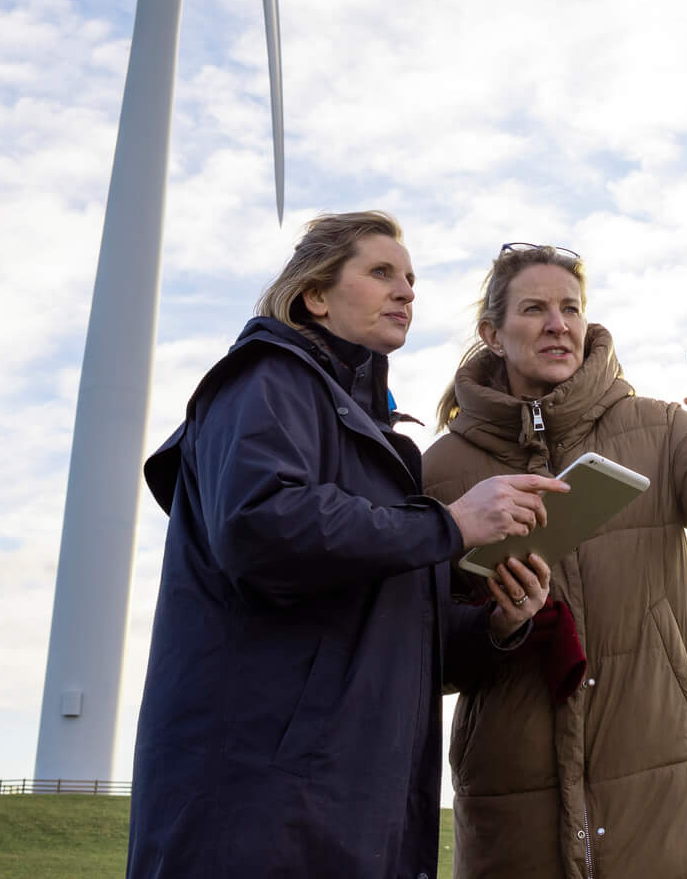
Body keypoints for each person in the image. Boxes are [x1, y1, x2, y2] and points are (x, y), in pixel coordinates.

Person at [127, 212, 567, 879]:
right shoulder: (264, 381)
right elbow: (261, 526)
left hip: (353, 805)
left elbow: (392, 627)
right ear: (317, 295)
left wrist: (499, 626)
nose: (406, 291)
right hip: (264, 809)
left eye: (412, 279)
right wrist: (449, 525)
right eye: (381, 272)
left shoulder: (375, 436)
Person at [423, 243, 687, 879]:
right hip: (512, 818)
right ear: (492, 333)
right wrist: (499, 627)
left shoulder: (659, 430)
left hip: (672, 803)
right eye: (535, 309)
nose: (559, 324)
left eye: (571, 308)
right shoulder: (440, 471)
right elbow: (415, 648)